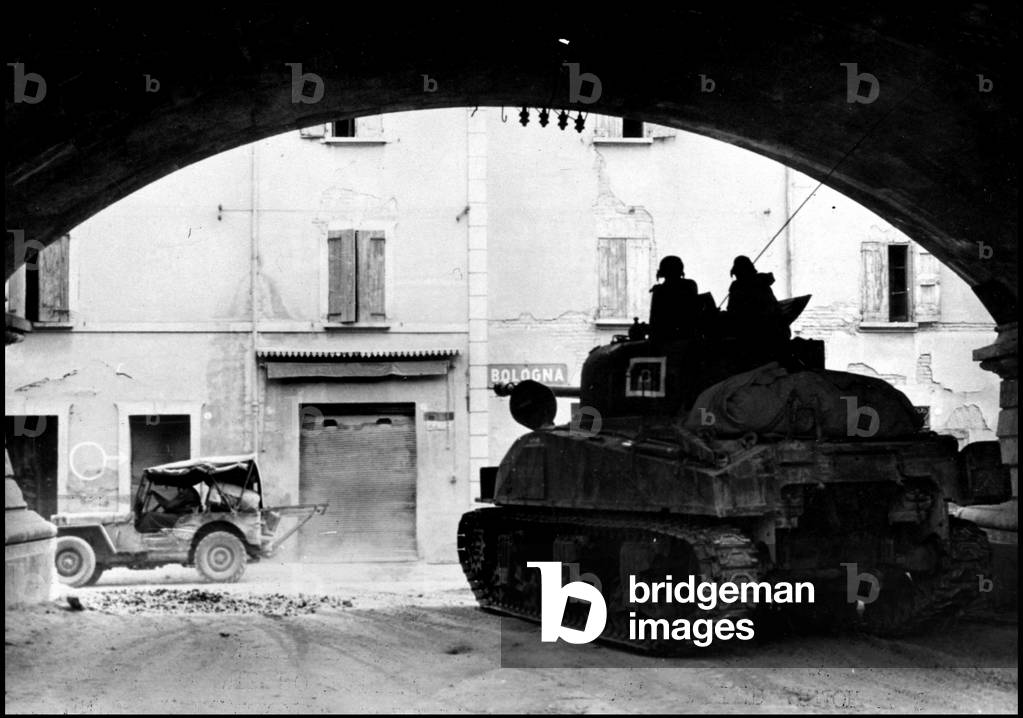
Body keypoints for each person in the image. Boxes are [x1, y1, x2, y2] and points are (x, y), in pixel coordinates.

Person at [725, 255, 790, 358]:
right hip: (778, 334)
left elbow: (733, 312)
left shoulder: (738, 287)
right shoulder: (762, 283)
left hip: (757, 336)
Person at [648, 255, 700, 342]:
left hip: (666, 338)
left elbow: (654, 320)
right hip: (688, 336)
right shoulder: (690, 285)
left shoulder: (659, 290)